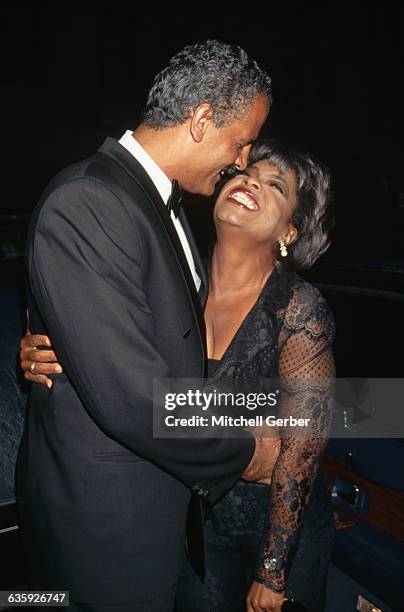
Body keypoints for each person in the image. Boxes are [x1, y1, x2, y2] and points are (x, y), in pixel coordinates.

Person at [17, 40, 278, 612]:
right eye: (242, 141)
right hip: (101, 533)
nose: (242, 159)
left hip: (157, 517)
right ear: (202, 118)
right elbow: (134, 395)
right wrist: (245, 453)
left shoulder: (166, 207)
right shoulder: (89, 200)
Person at [22, 139, 335, 612]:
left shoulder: (298, 308)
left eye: (275, 185)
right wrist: (44, 349)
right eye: (247, 172)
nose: (249, 180)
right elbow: (123, 371)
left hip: (269, 542)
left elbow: (301, 450)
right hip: (186, 533)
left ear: (290, 230)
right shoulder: (179, 283)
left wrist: (271, 572)